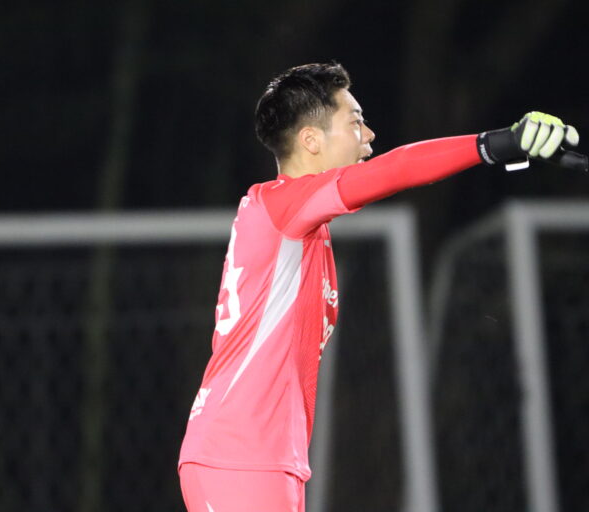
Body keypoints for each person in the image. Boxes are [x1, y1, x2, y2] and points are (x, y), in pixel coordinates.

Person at [177, 61, 584, 512]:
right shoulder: (283, 205)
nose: (369, 135)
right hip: (240, 456)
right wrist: (497, 144)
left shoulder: (294, 224)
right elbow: (398, 168)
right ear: (310, 140)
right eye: (355, 122)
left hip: (257, 459)